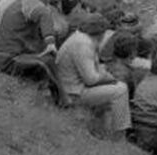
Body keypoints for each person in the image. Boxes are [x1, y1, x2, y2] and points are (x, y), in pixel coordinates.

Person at [54, 13, 132, 141]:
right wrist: (108, 78)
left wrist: (104, 73)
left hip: (72, 86)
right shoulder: (83, 44)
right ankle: (120, 136)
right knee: (121, 89)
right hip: (73, 92)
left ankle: (105, 131)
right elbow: (91, 80)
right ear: (100, 31)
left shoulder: (80, 38)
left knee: (113, 92)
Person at [0, 0, 58, 75]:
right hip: (12, 60)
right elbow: (44, 14)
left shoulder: (23, 1)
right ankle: (63, 90)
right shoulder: (34, 5)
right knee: (49, 62)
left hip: (6, 54)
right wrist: (50, 42)